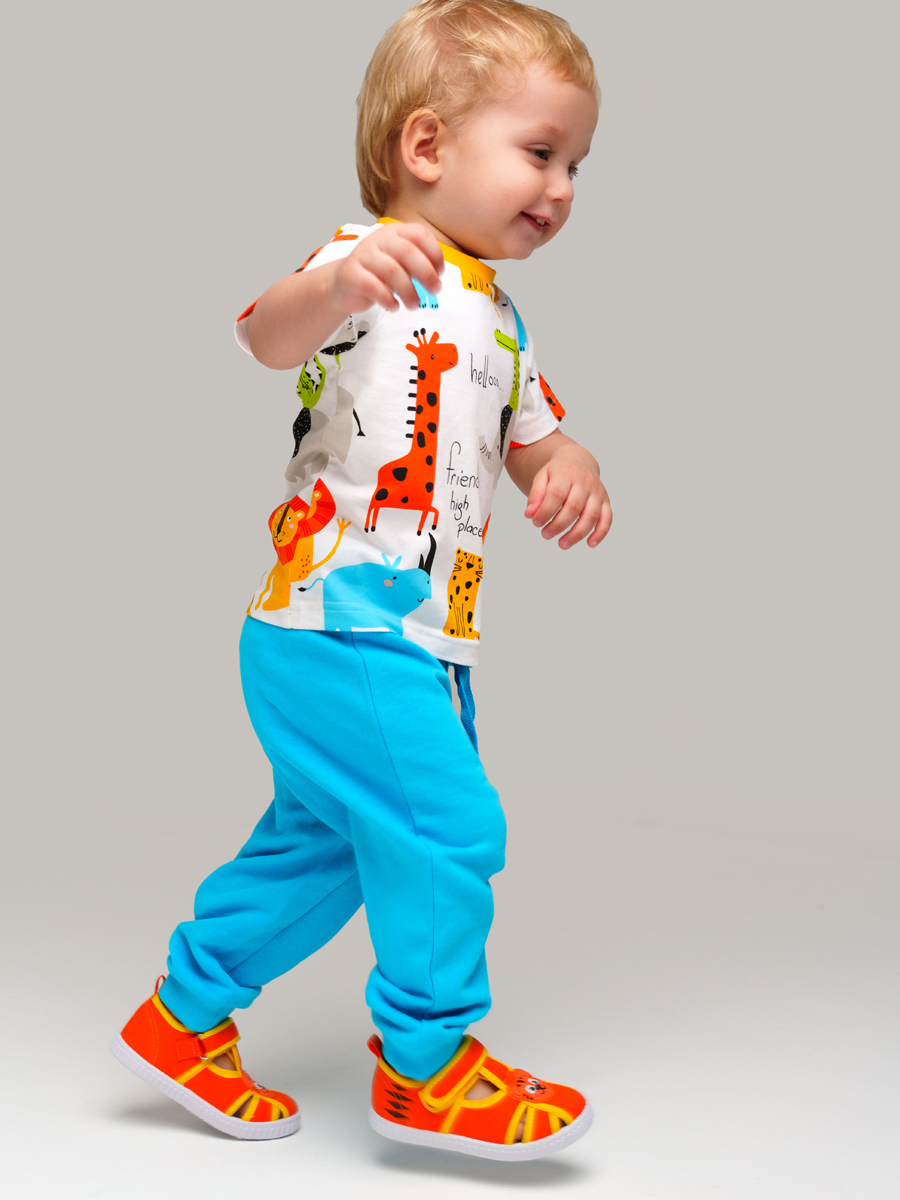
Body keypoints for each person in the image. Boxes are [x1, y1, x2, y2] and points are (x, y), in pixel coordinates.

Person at [112, 0, 612, 1161]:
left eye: (577, 166)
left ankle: (182, 1019)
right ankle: (428, 1063)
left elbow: (534, 441)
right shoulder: (366, 263)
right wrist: (337, 287)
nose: (561, 188)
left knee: (330, 844)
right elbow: (265, 336)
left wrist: (570, 467)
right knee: (447, 828)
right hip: (342, 622)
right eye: (541, 152)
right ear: (426, 146)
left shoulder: (503, 320)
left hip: (423, 641)